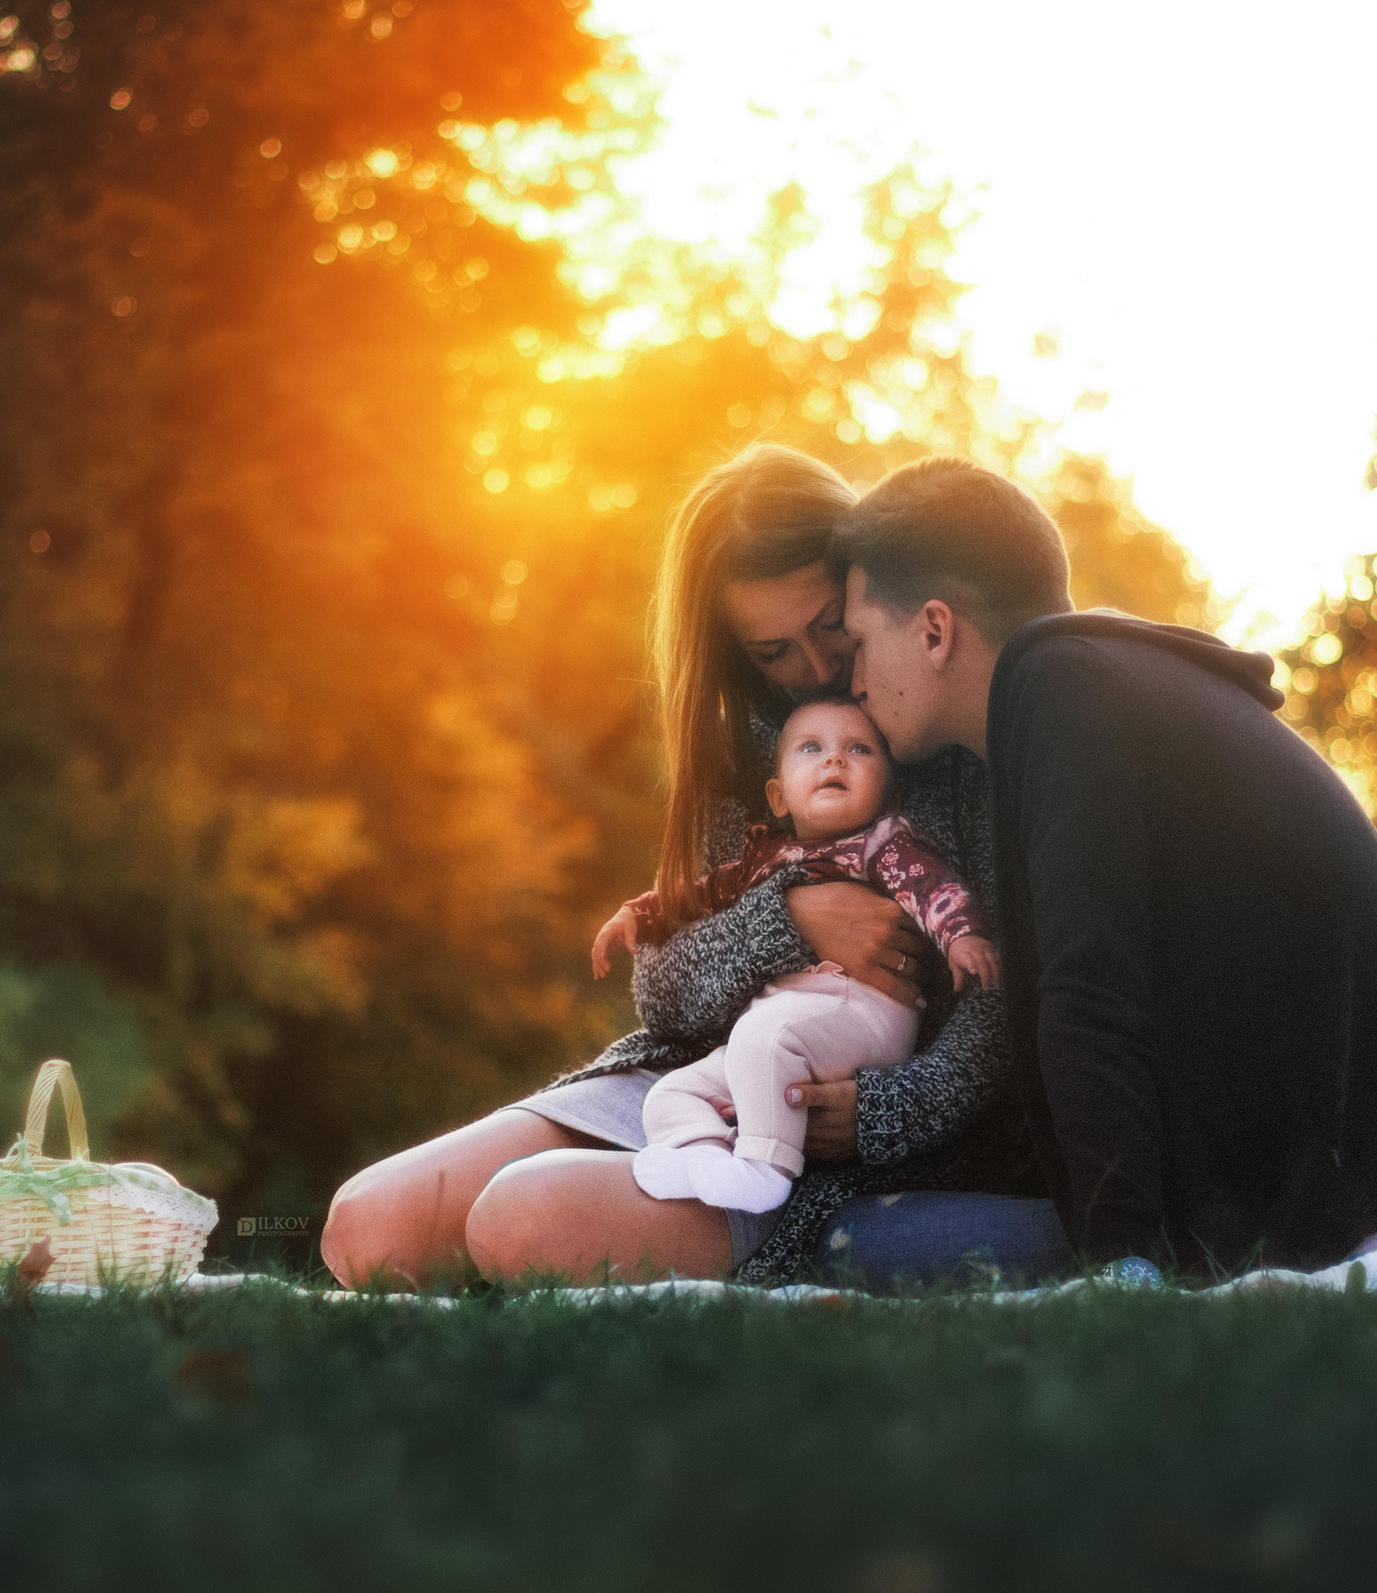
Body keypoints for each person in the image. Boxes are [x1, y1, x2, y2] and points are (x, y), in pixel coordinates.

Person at [320, 445, 1046, 1291]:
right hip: (693, 1074)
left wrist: (880, 1115)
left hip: (823, 1116)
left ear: (865, 592)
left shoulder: (947, 734)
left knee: (520, 1222)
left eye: (826, 628)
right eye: (773, 651)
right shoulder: (754, 749)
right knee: (367, 1228)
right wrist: (791, 919)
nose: (816, 670)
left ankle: (677, 1228)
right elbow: (664, 990)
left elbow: (1001, 1004)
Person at [829, 457, 1377, 1275]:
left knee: (847, 1246)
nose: (852, 681)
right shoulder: (1099, 679)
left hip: (1359, 1186)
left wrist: (1123, 1267)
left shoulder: (1061, 688)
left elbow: (1090, 989)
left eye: (860, 642)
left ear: (936, 630)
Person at [591, 695, 999, 1213]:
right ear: (778, 797)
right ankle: (700, 1156)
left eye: (858, 749)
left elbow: (933, 890)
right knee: (677, 1091)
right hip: (788, 1022)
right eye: (812, 748)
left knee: (766, 1036)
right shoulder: (763, 858)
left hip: (867, 1011)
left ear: (887, 789)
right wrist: (638, 915)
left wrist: (961, 934)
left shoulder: (884, 846)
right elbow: (697, 894)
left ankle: (765, 1172)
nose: (834, 759)